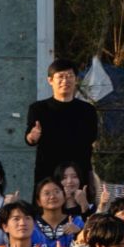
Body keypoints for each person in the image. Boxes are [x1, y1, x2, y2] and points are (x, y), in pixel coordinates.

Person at [25, 59, 101, 195]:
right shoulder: (38, 108)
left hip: (78, 171)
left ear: (76, 79)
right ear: (50, 80)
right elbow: (29, 138)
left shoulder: (87, 110)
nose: (65, 81)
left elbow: (91, 138)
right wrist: (32, 137)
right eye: (60, 77)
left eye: (70, 76)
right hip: (48, 170)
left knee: (80, 205)